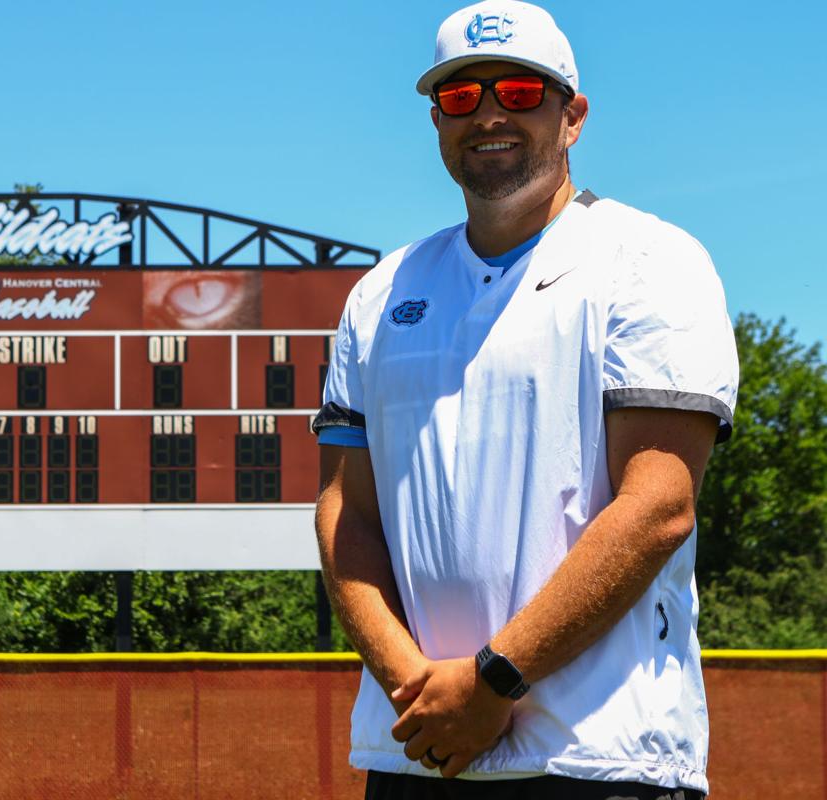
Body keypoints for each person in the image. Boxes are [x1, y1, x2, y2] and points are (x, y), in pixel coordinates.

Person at [312, 2, 737, 798]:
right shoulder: (381, 294)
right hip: (418, 748)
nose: (490, 115)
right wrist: (419, 689)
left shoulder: (651, 262)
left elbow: (659, 505)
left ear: (572, 116)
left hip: (601, 758)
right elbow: (347, 515)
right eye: (461, 98)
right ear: (437, 121)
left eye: (518, 91)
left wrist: (493, 682)